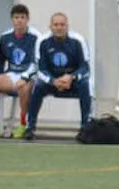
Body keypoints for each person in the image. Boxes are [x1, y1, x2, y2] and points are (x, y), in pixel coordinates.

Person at [23, 12, 92, 141]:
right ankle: (30, 127)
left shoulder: (78, 40)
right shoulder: (43, 41)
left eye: (62, 24)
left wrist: (71, 77)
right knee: (38, 86)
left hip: (71, 81)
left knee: (85, 84)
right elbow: (40, 69)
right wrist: (53, 81)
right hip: (52, 81)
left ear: (67, 26)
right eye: (56, 24)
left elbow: (85, 67)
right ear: (50, 26)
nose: (59, 27)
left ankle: (85, 128)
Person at [0, 3, 40, 138]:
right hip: (12, 74)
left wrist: (25, 77)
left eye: (22, 17)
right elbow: (1, 60)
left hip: (31, 75)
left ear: (27, 19)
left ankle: (23, 125)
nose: (19, 20)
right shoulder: (5, 37)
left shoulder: (36, 36)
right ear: (12, 19)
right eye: (16, 17)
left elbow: (37, 62)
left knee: (24, 88)